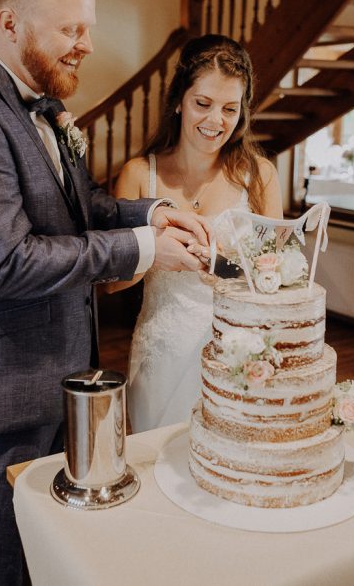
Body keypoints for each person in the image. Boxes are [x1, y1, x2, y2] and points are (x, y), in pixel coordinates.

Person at [0, 0, 209, 585]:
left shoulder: (39, 102)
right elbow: (7, 261)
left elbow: (81, 208)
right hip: (1, 385)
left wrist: (148, 214)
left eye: (87, 29)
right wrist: (146, 251)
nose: (86, 45)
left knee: (53, 545)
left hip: (64, 371)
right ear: (9, 22)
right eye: (71, 29)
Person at [108, 34, 283, 433]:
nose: (215, 121)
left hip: (239, 357)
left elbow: (278, 281)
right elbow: (113, 285)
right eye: (202, 104)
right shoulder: (139, 174)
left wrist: (227, 270)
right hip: (162, 353)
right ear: (178, 101)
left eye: (229, 109)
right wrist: (155, 250)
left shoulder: (260, 177)